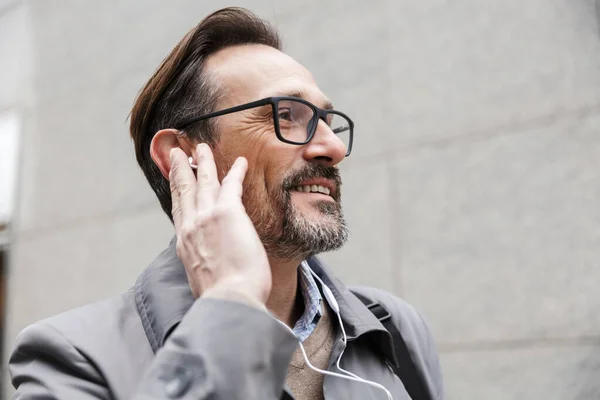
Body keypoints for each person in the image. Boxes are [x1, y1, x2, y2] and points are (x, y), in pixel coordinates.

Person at [9, 7, 444, 400]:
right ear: (183, 157)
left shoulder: (395, 327)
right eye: (287, 115)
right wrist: (231, 305)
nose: (332, 148)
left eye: (327, 122)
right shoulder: (72, 357)